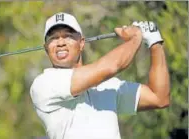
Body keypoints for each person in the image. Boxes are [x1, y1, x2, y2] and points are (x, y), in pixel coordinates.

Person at [30, 12, 170, 139]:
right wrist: (135, 37)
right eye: (53, 38)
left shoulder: (108, 86)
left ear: (82, 43)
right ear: (46, 48)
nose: (60, 42)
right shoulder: (44, 84)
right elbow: (112, 66)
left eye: (68, 36)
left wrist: (155, 42)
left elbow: (159, 98)